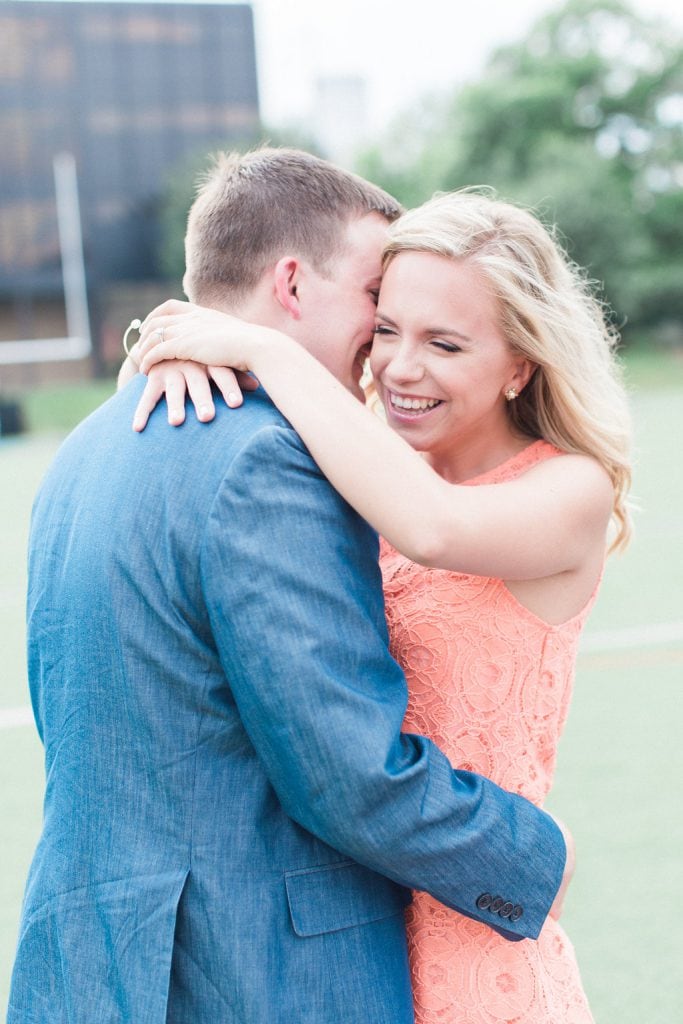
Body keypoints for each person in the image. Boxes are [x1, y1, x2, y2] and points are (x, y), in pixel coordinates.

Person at [9, 151, 569, 1024]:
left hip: (93, 964)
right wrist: (531, 859)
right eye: (374, 302)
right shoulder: (268, 459)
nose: (381, 336)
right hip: (256, 969)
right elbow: (347, 772)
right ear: (293, 284)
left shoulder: (87, 444)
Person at [132, 188, 632, 1023]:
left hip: (479, 936)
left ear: (519, 363)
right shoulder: (357, 455)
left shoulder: (567, 490)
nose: (399, 368)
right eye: (385, 330)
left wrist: (261, 347)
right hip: (338, 944)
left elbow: (434, 528)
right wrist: (174, 352)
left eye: (443, 343)